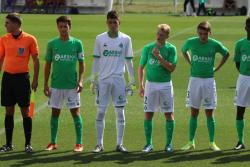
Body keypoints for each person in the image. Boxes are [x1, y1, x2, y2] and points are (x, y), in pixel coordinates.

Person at [91, 10, 135, 153]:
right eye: (110, 22)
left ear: (119, 23)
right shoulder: (100, 39)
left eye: (115, 22)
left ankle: (119, 144)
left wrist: (132, 79)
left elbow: (129, 61)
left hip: (119, 81)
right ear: (107, 23)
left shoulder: (126, 39)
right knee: (101, 112)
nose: (112, 25)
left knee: (120, 113)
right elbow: (96, 59)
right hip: (103, 81)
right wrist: (93, 78)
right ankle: (99, 144)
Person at [181, 21, 229, 151]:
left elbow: (226, 54)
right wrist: (190, 62)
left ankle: (212, 142)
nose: (202, 36)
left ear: (210, 33)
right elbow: (183, 50)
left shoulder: (214, 44)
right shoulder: (191, 42)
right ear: (197, 33)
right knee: (194, 112)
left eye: (205, 34)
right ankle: (191, 141)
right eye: (200, 33)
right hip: (194, 81)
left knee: (209, 112)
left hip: (208, 81)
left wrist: (217, 68)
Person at [44, 16, 84, 152]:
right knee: (55, 113)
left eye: (65, 26)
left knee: (76, 113)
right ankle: (53, 142)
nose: (63, 29)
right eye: (60, 26)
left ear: (69, 27)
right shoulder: (52, 44)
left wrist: (80, 81)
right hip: (55, 85)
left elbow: (82, 64)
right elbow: (47, 65)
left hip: (72, 86)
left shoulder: (77, 43)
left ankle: (79, 143)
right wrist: (45, 84)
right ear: (57, 27)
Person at [0, 13, 40, 153]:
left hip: (22, 79)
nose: (5, 26)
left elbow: (36, 61)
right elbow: (0, 59)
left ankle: (28, 144)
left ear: (16, 24)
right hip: (8, 79)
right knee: (8, 111)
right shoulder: (4, 39)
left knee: (25, 111)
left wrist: (35, 79)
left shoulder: (30, 39)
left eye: (7, 23)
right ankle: (8, 144)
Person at [138, 24, 177, 153]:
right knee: (148, 113)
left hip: (165, 85)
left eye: (162, 34)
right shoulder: (148, 48)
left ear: (167, 36)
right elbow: (141, 67)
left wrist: (159, 57)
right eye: (158, 34)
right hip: (150, 85)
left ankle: (169, 144)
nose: (159, 36)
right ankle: (148, 144)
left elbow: (171, 68)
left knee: (168, 114)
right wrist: (141, 84)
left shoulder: (171, 49)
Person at [233, 17, 250, 150]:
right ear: (246, 28)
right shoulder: (240, 44)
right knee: (240, 109)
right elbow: (238, 62)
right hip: (243, 79)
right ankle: (241, 141)